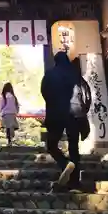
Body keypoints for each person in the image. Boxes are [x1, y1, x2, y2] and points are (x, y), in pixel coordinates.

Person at [41, 51, 91, 188]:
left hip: (56, 114)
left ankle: (64, 164)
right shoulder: (75, 75)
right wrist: (83, 112)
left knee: (52, 145)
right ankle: (75, 180)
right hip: (75, 115)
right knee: (73, 147)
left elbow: (44, 93)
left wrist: (54, 104)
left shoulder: (50, 75)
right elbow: (86, 95)